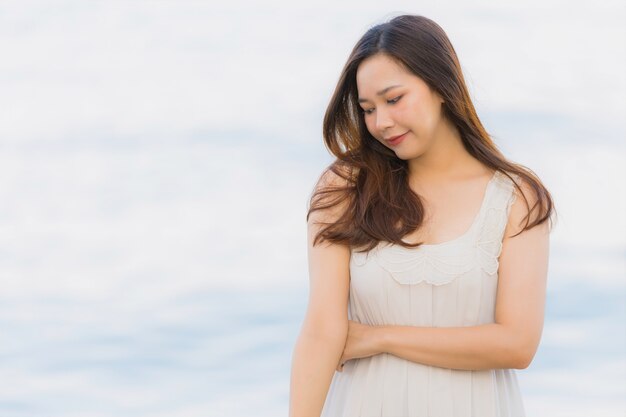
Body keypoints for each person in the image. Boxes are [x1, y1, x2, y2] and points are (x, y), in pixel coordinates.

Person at [289, 14, 555, 417]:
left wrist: (380, 338)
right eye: (367, 109)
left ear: (440, 85)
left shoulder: (516, 197)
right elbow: (321, 331)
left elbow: (517, 344)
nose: (381, 123)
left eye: (394, 99)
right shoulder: (345, 188)